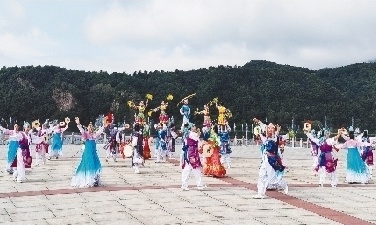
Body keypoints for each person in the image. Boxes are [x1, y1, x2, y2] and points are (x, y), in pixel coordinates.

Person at [253, 118, 288, 199]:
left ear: (274, 129)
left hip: (271, 160)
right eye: (269, 127)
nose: (270, 129)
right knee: (261, 176)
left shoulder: (275, 137)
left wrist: (276, 131)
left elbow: (273, 134)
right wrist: (259, 122)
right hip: (265, 159)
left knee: (272, 181)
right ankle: (260, 193)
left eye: (272, 127)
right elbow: (263, 128)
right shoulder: (265, 137)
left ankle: (283, 184)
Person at [71, 117, 103, 188]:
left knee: (95, 164)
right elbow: (82, 130)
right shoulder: (86, 135)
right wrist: (78, 124)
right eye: (89, 127)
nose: (90, 129)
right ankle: (89, 180)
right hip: (88, 152)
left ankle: (95, 180)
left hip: (93, 152)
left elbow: (99, 132)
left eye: (92, 128)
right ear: (88, 128)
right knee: (89, 164)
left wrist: (104, 125)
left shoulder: (94, 135)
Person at [181, 123, 207, 191]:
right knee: (194, 168)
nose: (195, 127)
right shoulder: (191, 134)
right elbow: (197, 139)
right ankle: (199, 185)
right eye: (193, 126)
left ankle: (186, 184)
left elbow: (198, 140)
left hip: (193, 151)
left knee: (190, 168)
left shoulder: (190, 133)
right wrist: (199, 133)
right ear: (191, 128)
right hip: (191, 152)